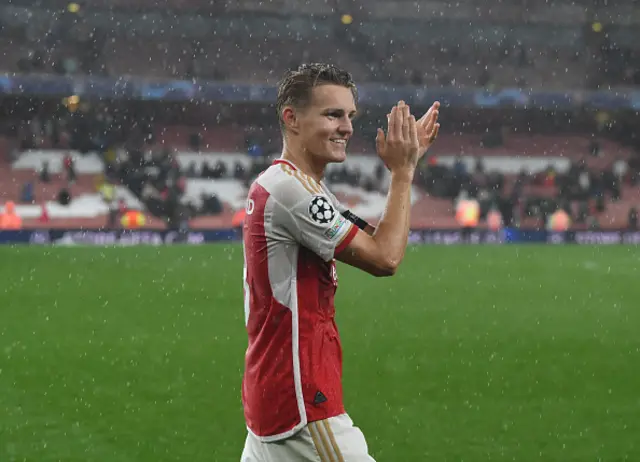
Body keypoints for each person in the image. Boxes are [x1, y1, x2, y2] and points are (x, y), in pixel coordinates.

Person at [240, 63, 440, 462]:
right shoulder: (290, 191)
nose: (347, 127)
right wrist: (403, 173)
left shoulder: (299, 187)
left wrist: (406, 168)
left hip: (276, 393)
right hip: (302, 402)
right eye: (333, 114)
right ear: (291, 119)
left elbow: (380, 241)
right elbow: (385, 258)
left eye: (351, 116)